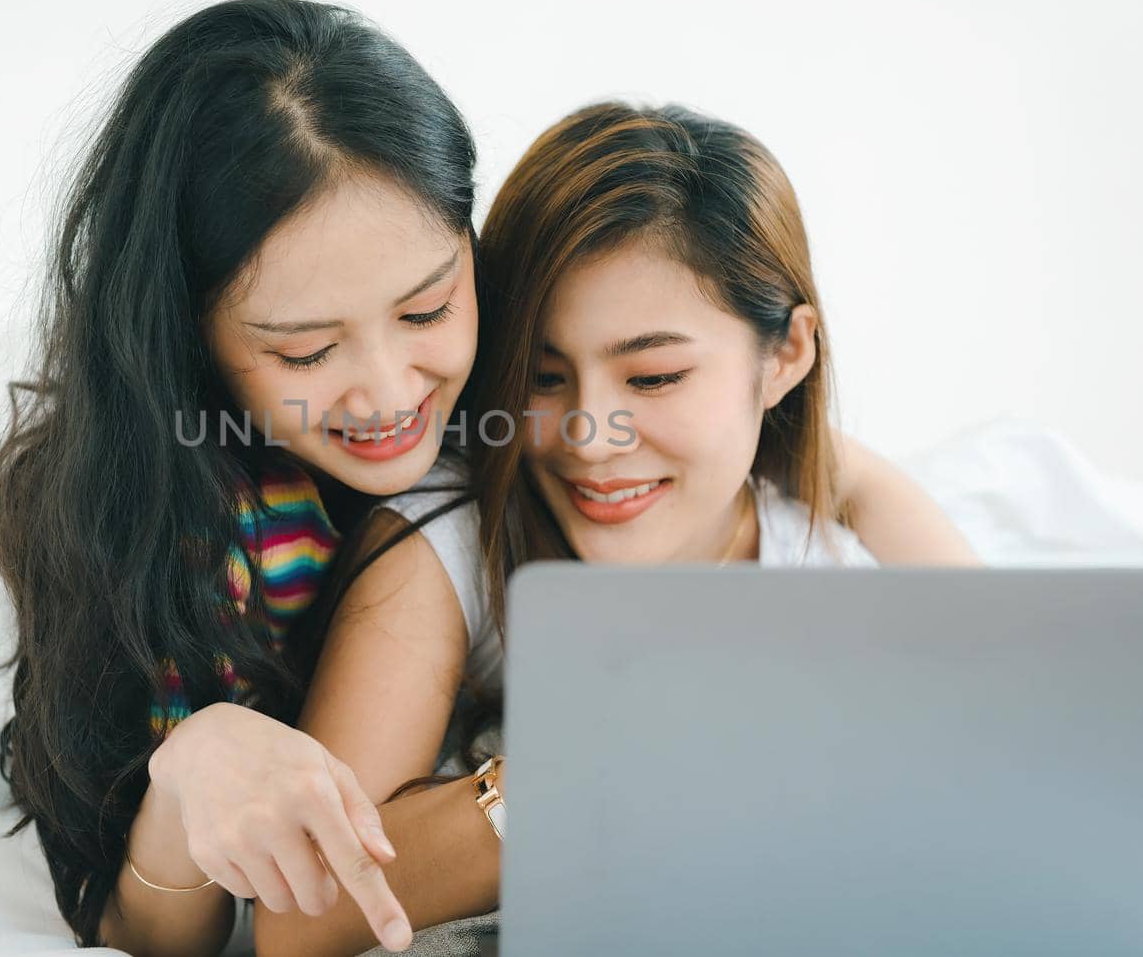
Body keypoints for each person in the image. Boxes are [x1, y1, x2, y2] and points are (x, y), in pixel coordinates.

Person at [263, 101, 979, 956]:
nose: (589, 436)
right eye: (545, 375)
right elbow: (302, 918)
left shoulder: (829, 551)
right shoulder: (451, 538)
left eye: (654, 377)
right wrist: (580, 774)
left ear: (784, 355)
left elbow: (1003, 713)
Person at [0, 0, 484, 957]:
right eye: (305, 351)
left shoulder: (539, 380)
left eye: (426, 311)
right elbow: (143, 930)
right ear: (186, 333)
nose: (388, 392)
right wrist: (192, 762)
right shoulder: (150, 523)